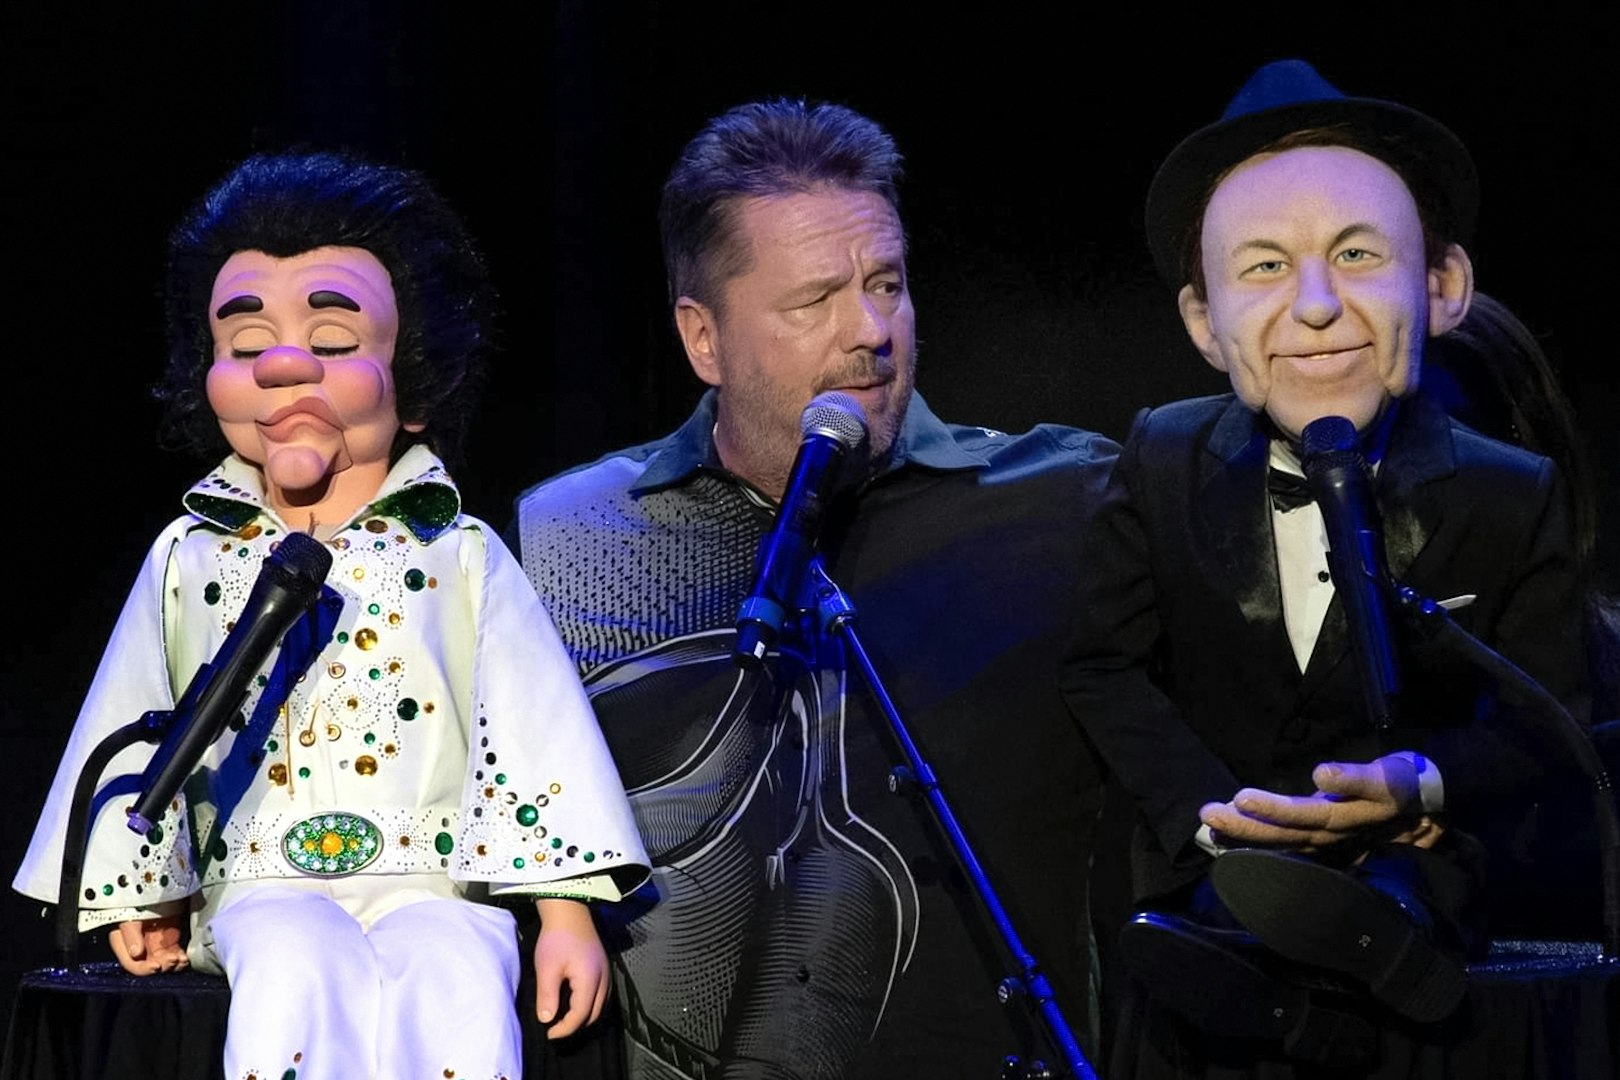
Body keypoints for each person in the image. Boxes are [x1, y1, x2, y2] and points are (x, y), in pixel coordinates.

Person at [507, 98, 1119, 1078]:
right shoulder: (570, 534)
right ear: (702, 339)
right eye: (814, 301)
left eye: (888, 283)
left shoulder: (1058, 503)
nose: (871, 330)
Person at [13, 150, 650, 1080]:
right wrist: (141, 893)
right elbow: (135, 711)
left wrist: (564, 911)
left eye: (335, 342)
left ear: (417, 380)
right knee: (293, 967)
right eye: (245, 345)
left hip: (432, 879)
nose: (281, 365)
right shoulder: (193, 556)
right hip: (260, 881)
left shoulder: (456, 551)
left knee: (458, 976)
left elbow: (530, 724)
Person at [1058, 59, 1589, 1069]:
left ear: (1443, 288)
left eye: (1356, 254)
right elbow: (1103, 665)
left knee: (1405, 917)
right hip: (1203, 900)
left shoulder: (1508, 492)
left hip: (1416, 910)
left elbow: (1550, 723)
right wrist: (1213, 813)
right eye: (1262, 268)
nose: (1314, 307)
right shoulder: (1163, 456)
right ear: (1204, 324)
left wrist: (1424, 786)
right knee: (1211, 939)